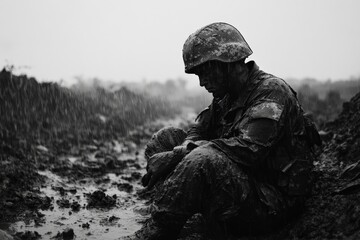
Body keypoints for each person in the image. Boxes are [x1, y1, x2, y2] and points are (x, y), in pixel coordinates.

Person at [125, 22, 321, 240]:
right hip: (241, 185)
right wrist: (180, 148)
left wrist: (179, 155)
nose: (201, 83)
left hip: (270, 201)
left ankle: (158, 231)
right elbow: (199, 129)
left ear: (226, 62)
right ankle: (178, 207)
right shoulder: (226, 97)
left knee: (202, 159)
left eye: (205, 72)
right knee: (166, 139)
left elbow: (249, 150)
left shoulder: (271, 91)